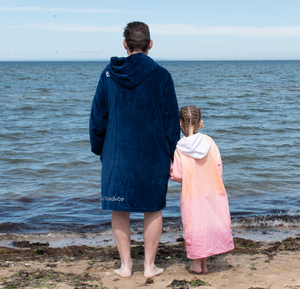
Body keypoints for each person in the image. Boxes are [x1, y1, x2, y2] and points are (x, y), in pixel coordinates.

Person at [89, 21, 180, 278]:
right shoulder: (162, 75)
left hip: (117, 154)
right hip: (153, 154)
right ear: (150, 44)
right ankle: (150, 266)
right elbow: (171, 122)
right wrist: (170, 153)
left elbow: (98, 119)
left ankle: (126, 266)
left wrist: (100, 150)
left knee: (120, 208)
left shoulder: (108, 74)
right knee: (153, 208)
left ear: (125, 44)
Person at [170, 106, 234, 274]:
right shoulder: (209, 142)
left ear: (180, 123)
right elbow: (218, 166)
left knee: (194, 227)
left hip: (192, 194)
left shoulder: (179, 148)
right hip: (213, 190)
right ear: (200, 123)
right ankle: (204, 265)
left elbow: (177, 175)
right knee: (207, 225)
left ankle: (197, 264)